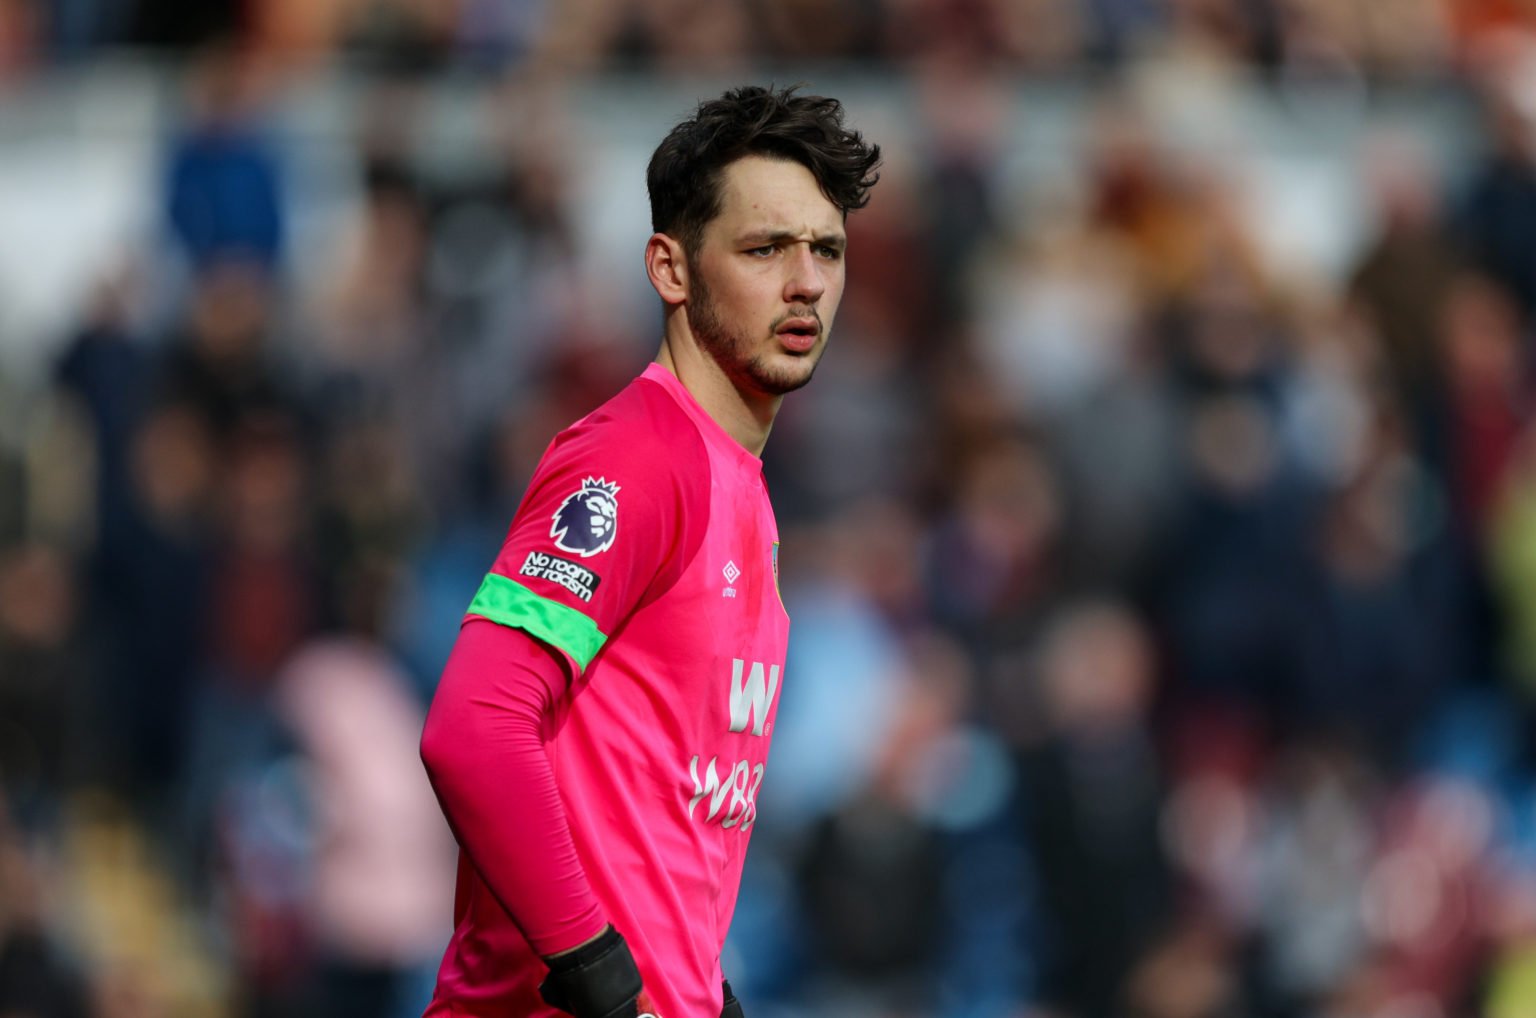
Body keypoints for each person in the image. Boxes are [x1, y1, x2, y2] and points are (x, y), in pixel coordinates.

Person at [419, 85, 881, 1018]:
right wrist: (594, 968)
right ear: (670, 269)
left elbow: (656, 808)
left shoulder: (735, 485)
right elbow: (473, 729)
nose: (805, 282)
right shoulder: (639, 458)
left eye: (824, 250)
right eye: (763, 249)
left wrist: (701, 989)